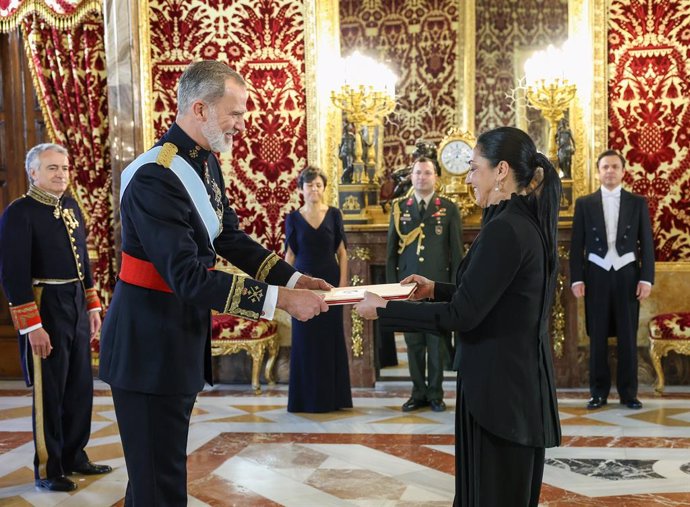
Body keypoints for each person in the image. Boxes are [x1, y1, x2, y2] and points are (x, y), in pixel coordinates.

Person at [98, 61, 330, 506]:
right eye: (236, 113)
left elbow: (228, 238)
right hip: (147, 346)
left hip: (175, 339)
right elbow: (187, 276)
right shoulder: (155, 175)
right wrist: (283, 301)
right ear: (200, 108)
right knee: (156, 485)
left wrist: (296, 277)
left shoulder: (204, 161)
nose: (243, 124)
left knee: (160, 475)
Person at [355, 126, 562, 506]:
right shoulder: (517, 222)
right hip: (508, 388)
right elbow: (491, 297)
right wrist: (436, 288)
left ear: (501, 170)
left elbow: (461, 316)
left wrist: (385, 309)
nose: (468, 178)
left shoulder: (505, 230)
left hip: (500, 395)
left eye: (473, 167)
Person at [0, 144, 112, 492]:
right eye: (52, 168)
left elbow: (84, 261)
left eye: (64, 167)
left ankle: (75, 454)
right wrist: (32, 326)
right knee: (50, 391)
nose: (61, 173)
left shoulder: (71, 207)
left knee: (79, 384)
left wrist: (92, 305)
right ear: (33, 172)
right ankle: (50, 468)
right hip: (45, 304)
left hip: (75, 303)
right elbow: (13, 273)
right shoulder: (20, 212)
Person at [570, 149, 654, 410]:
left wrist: (646, 279)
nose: (609, 171)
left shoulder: (637, 202)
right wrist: (576, 279)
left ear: (623, 171)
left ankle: (629, 394)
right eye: (605, 167)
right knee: (597, 335)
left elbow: (647, 245)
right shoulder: (585, 203)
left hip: (627, 273)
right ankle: (598, 392)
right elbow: (577, 246)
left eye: (614, 167)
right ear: (598, 171)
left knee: (628, 335)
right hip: (596, 273)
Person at [385, 156, 463, 413]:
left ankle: (435, 394)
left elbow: (456, 254)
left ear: (436, 177)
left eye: (427, 173)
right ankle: (418, 392)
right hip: (409, 289)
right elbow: (391, 255)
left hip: (437, 287)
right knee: (414, 343)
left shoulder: (449, 208)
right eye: (417, 173)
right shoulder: (399, 208)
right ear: (411, 176)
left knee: (437, 344)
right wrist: (391, 291)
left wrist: (454, 289)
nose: (421, 177)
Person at [284, 166, 352, 412]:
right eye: (310, 185)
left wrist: (343, 285)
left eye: (319, 185)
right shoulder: (292, 218)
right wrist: (285, 289)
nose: (314, 189)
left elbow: (342, 253)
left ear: (324, 189)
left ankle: (334, 399)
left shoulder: (334, 214)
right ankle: (305, 400)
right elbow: (290, 255)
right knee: (304, 341)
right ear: (301, 189)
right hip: (302, 286)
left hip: (331, 286)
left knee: (329, 340)